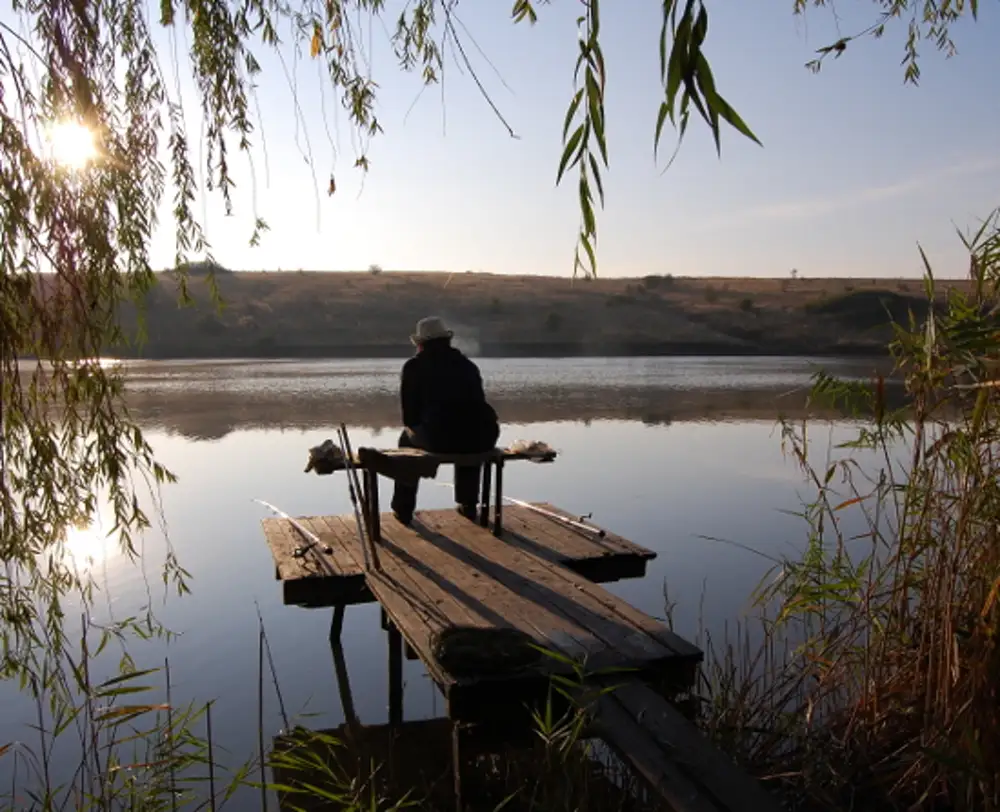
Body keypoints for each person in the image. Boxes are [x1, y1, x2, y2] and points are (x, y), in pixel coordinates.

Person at [390, 316, 500, 525]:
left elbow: (409, 417)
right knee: (469, 431)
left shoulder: (414, 367)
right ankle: (468, 504)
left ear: (420, 344)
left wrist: (422, 426)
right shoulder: (467, 365)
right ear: (447, 341)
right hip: (484, 436)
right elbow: (477, 405)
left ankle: (403, 509)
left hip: (441, 438)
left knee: (406, 439)